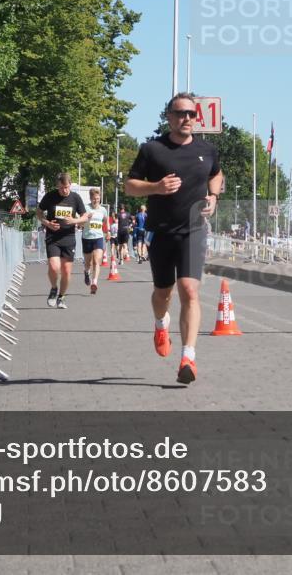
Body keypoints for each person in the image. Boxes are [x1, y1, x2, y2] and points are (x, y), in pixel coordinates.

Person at [125, 93, 223, 385]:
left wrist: (214, 196)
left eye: (192, 114)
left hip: (194, 230)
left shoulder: (207, 150)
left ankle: (188, 357)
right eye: (181, 113)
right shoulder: (152, 150)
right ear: (168, 116)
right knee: (162, 294)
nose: (187, 119)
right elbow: (130, 186)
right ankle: (160, 323)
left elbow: (216, 175)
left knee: (190, 291)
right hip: (162, 231)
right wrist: (155, 186)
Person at [35, 173, 88, 309]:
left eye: (66, 187)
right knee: (54, 266)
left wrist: (74, 220)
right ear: (57, 186)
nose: (64, 190)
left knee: (66, 271)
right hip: (53, 237)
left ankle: (61, 297)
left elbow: (85, 217)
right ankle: (54, 289)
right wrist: (47, 223)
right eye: (61, 188)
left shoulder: (75, 198)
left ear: (70, 185)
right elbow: (39, 212)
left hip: (69, 238)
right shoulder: (50, 196)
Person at [81, 188, 109, 294]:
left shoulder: (103, 210)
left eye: (97, 198)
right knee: (88, 262)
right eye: (94, 199)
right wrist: (86, 218)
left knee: (97, 261)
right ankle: (86, 273)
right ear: (90, 198)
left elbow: (105, 221)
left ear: (100, 198)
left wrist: (108, 232)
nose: (96, 200)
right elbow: (80, 224)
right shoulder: (86, 208)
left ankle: (94, 283)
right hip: (87, 238)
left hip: (98, 237)